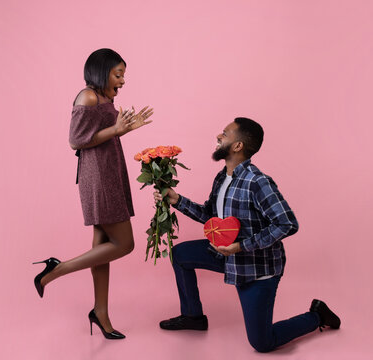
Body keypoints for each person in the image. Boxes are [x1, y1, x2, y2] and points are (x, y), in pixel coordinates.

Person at [154, 118, 340, 352]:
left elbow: (287, 223)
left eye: (225, 133)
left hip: (256, 268)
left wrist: (241, 247)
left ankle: (317, 316)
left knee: (262, 342)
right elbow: (211, 217)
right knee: (180, 253)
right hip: (226, 256)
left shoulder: (257, 182)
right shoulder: (223, 177)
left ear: (237, 146)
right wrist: (177, 201)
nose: (219, 136)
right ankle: (193, 317)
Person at [33, 48, 153, 340]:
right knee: (124, 244)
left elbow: (100, 135)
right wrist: (115, 129)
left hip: (108, 171)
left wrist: (124, 129)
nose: (122, 81)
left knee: (103, 247)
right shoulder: (87, 97)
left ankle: (101, 313)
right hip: (99, 177)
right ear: (101, 72)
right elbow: (76, 140)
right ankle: (56, 269)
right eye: (118, 73)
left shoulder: (103, 98)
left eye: (123, 74)